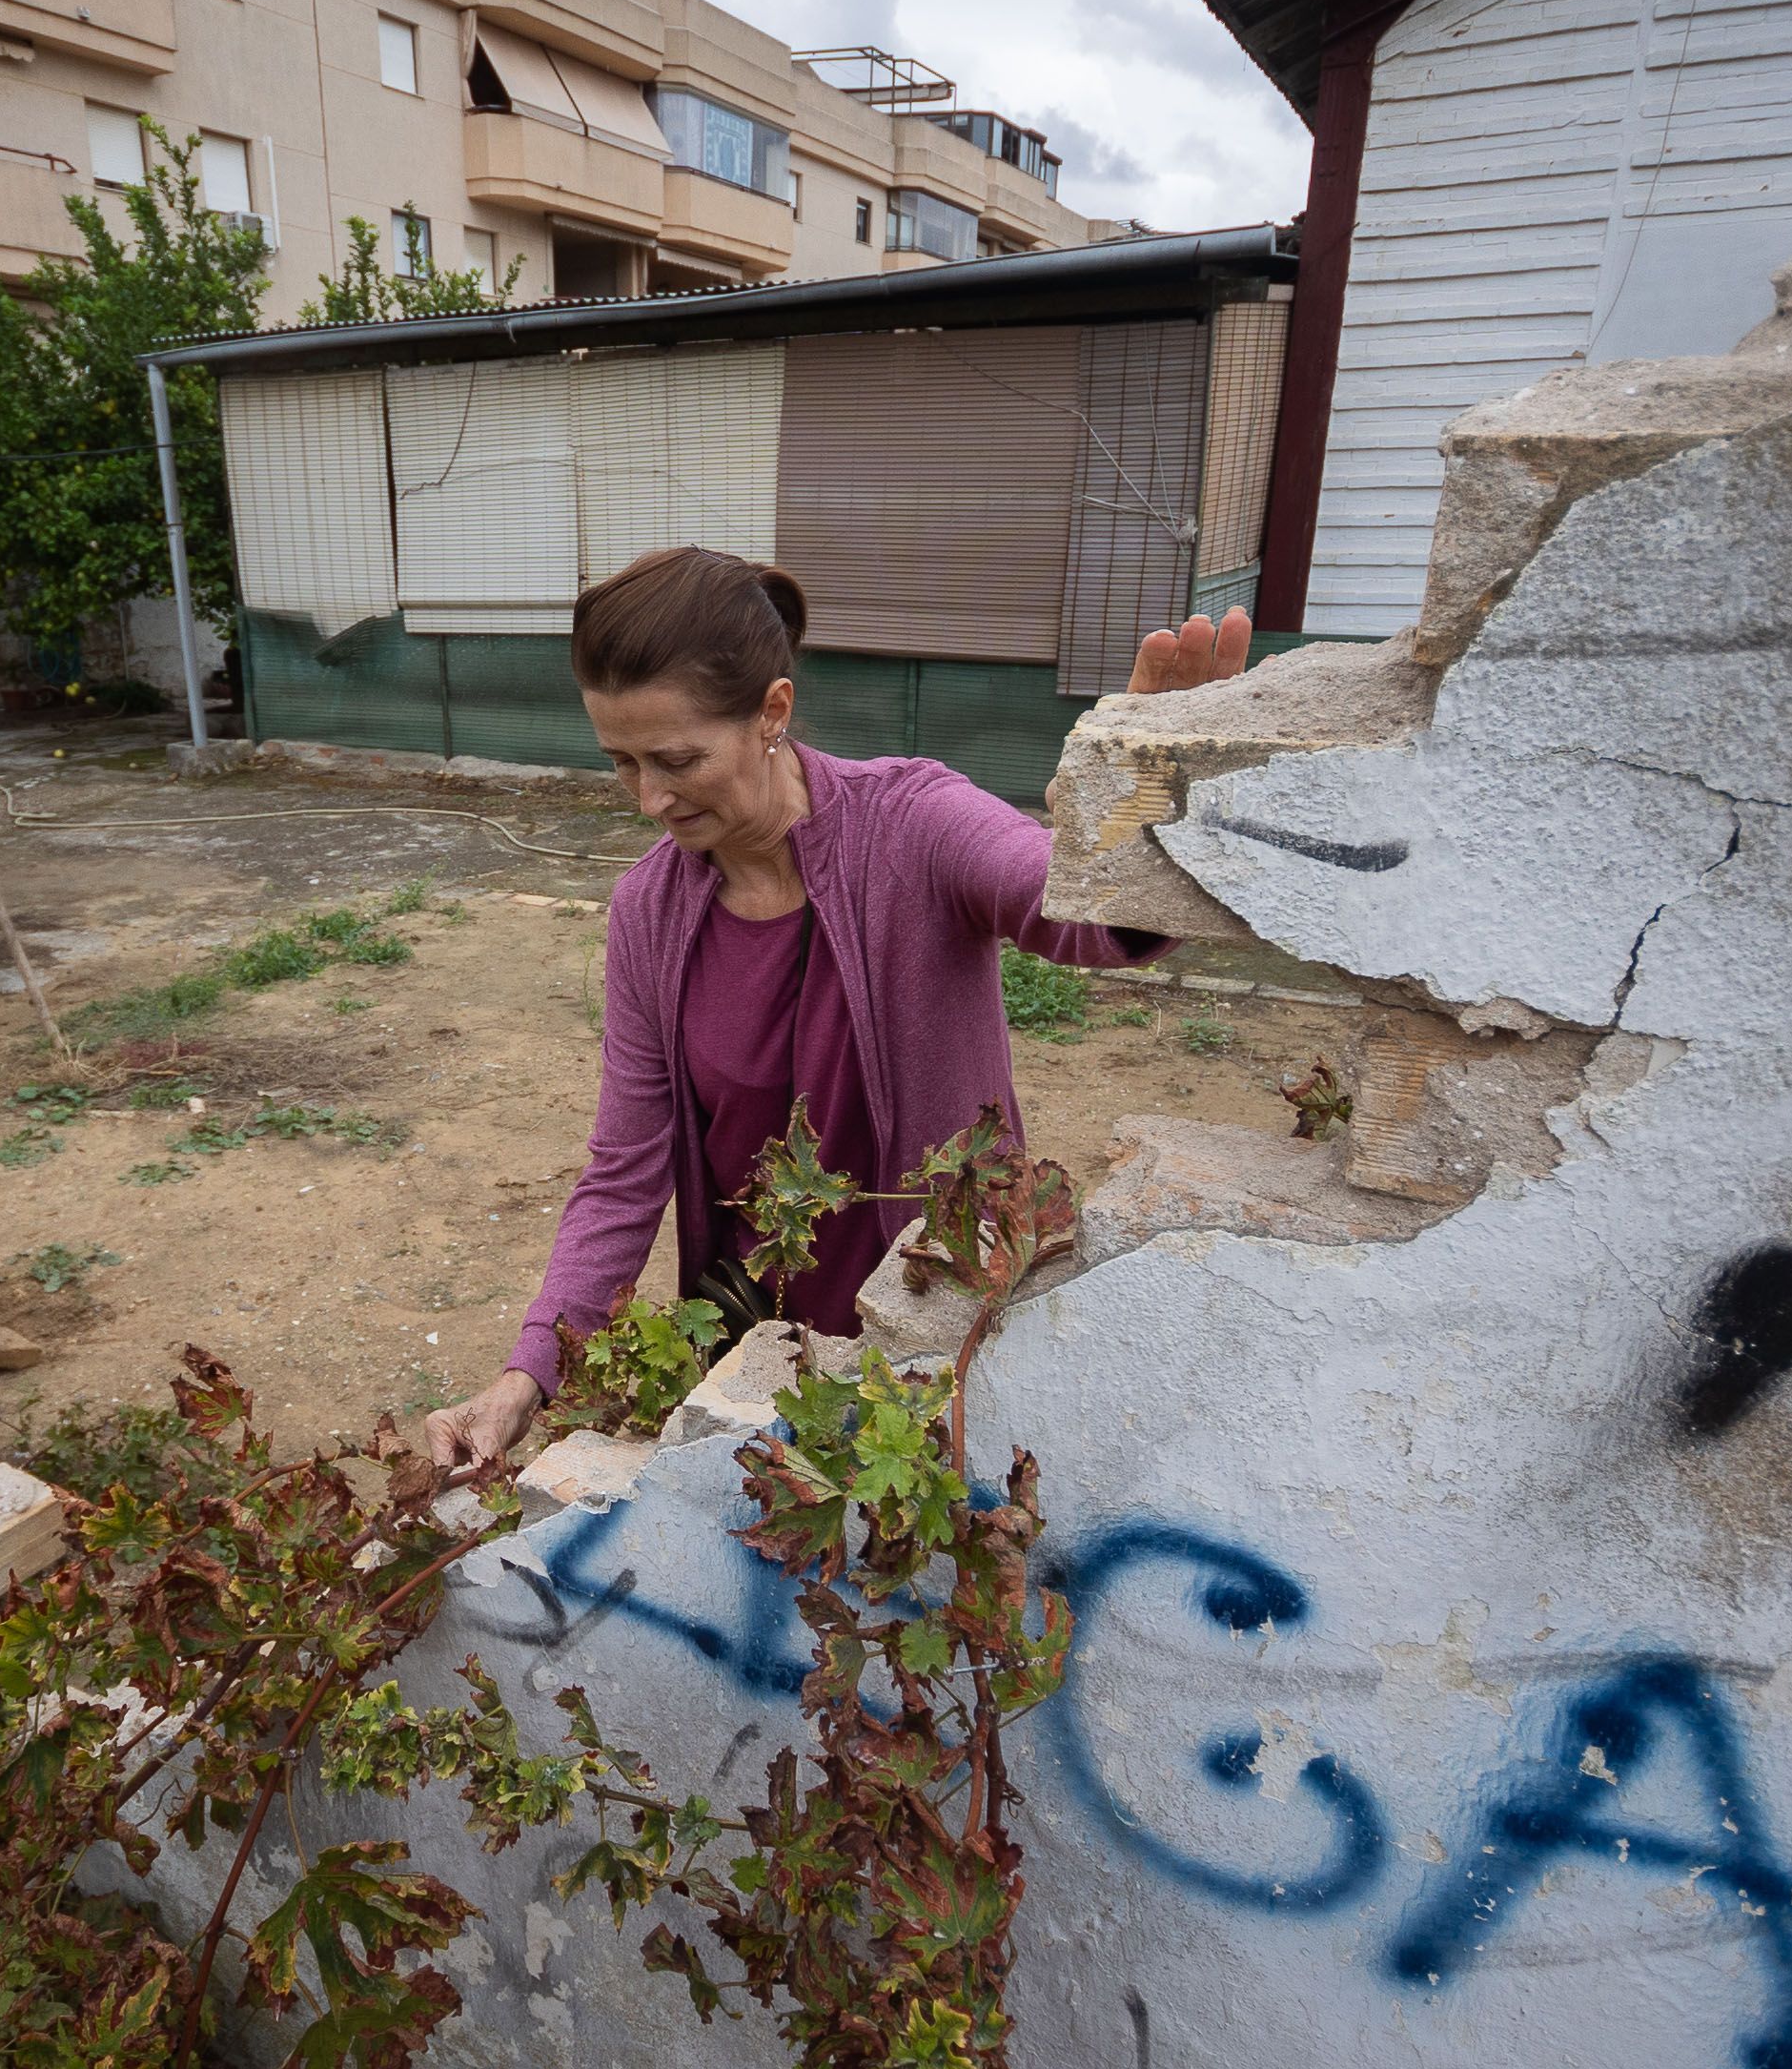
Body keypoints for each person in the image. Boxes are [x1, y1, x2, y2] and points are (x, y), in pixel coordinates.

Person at [424, 545, 1252, 1467]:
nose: (650, 799)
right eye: (621, 763)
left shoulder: (914, 825)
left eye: (678, 760)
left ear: (771, 713)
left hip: (941, 1331)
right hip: (756, 1351)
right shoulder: (648, 913)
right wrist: (524, 1378)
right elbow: (625, 1172)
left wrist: (1132, 818)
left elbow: (1067, 906)